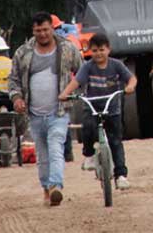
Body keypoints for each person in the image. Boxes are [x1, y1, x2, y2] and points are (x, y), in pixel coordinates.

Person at [8, 12, 84, 207]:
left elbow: (82, 73)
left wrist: (76, 94)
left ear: (52, 29)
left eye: (45, 30)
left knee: (56, 147)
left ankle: (56, 186)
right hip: (34, 114)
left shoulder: (67, 49)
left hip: (59, 112)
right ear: (33, 31)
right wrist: (16, 98)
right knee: (42, 155)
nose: (42, 34)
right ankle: (46, 188)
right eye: (38, 30)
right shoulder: (23, 53)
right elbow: (14, 80)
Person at [58, 33, 136, 190]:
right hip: (92, 106)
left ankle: (121, 175)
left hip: (111, 107)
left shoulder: (116, 65)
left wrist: (130, 86)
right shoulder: (88, 66)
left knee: (115, 141)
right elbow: (76, 81)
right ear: (89, 52)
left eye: (101, 49)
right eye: (94, 50)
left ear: (108, 49)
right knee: (87, 128)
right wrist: (65, 93)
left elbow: (132, 78)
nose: (98, 53)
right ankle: (89, 156)